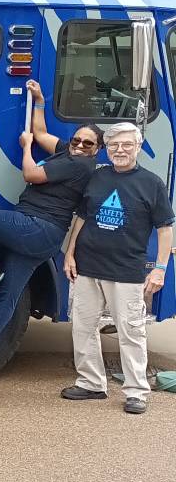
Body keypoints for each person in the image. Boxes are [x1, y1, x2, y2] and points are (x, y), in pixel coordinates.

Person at [0, 80, 100, 363]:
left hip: (35, 227)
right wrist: (39, 99)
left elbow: (31, 175)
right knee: (10, 294)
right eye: (77, 140)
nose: (80, 145)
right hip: (44, 239)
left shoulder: (79, 164)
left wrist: (26, 149)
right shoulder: (67, 152)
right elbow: (40, 132)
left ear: (96, 149)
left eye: (88, 143)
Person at [62, 122, 174, 414]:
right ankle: (90, 383)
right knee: (83, 328)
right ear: (106, 149)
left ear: (137, 147)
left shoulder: (151, 183)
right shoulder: (97, 177)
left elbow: (165, 229)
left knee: (131, 331)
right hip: (87, 267)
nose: (120, 150)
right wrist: (70, 253)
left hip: (126, 272)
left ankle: (137, 391)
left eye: (126, 145)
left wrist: (160, 268)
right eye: (113, 145)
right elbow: (82, 217)